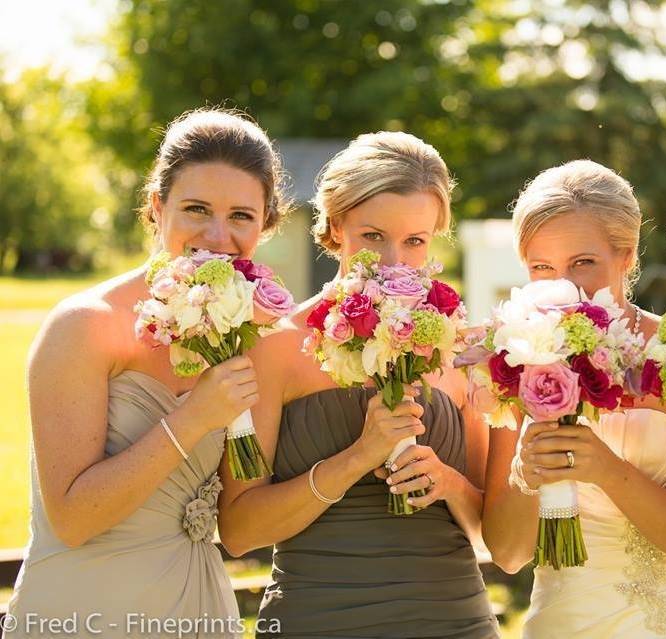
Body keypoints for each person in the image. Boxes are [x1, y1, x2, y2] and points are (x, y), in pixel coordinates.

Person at [4, 108, 290, 638]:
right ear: (157, 207)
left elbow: (243, 520)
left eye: (242, 216)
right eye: (196, 209)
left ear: (266, 223)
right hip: (83, 612)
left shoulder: (245, 336)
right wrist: (194, 418)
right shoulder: (84, 325)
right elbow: (72, 518)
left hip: (198, 608)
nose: (217, 235)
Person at [217, 131, 499, 638]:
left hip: (453, 620)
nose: (394, 261)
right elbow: (239, 533)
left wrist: (450, 484)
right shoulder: (273, 349)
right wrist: (356, 458)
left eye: (414, 241)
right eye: (373, 237)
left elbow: (495, 534)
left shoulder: (463, 347)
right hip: (317, 620)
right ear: (334, 228)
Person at [482, 160, 666, 638]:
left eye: (583, 263)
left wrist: (607, 470)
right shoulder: (514, 361)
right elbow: (509, 555)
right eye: (542, 268)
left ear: (627, 255)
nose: (565, 286)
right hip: (561, 623)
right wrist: (524, 475)